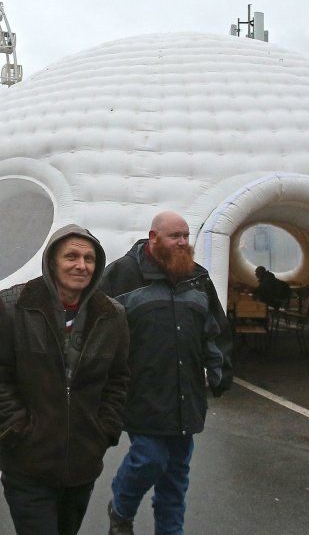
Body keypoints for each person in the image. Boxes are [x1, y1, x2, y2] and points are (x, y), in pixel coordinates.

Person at [0, 225, 130, 535]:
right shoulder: (12, 306)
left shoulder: (112, 315)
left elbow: (119, 378)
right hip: (27, 463)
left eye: (88, 258)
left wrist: (105, 430)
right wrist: (15, 429)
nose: (81, 265)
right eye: (71, 256)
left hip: (82, 464)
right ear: (51, 261)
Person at [99, 211, 233, 535]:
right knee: (149, 458)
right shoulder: (122, 274)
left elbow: (215, 329)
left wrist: (219, 372)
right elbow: (98, 329)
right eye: (175, 236)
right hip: (141, 393)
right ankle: (121, 507)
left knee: (175, 478)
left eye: (186, 236)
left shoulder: (197, 278)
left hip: (187, 395)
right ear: (154, 237)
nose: (183, 243)